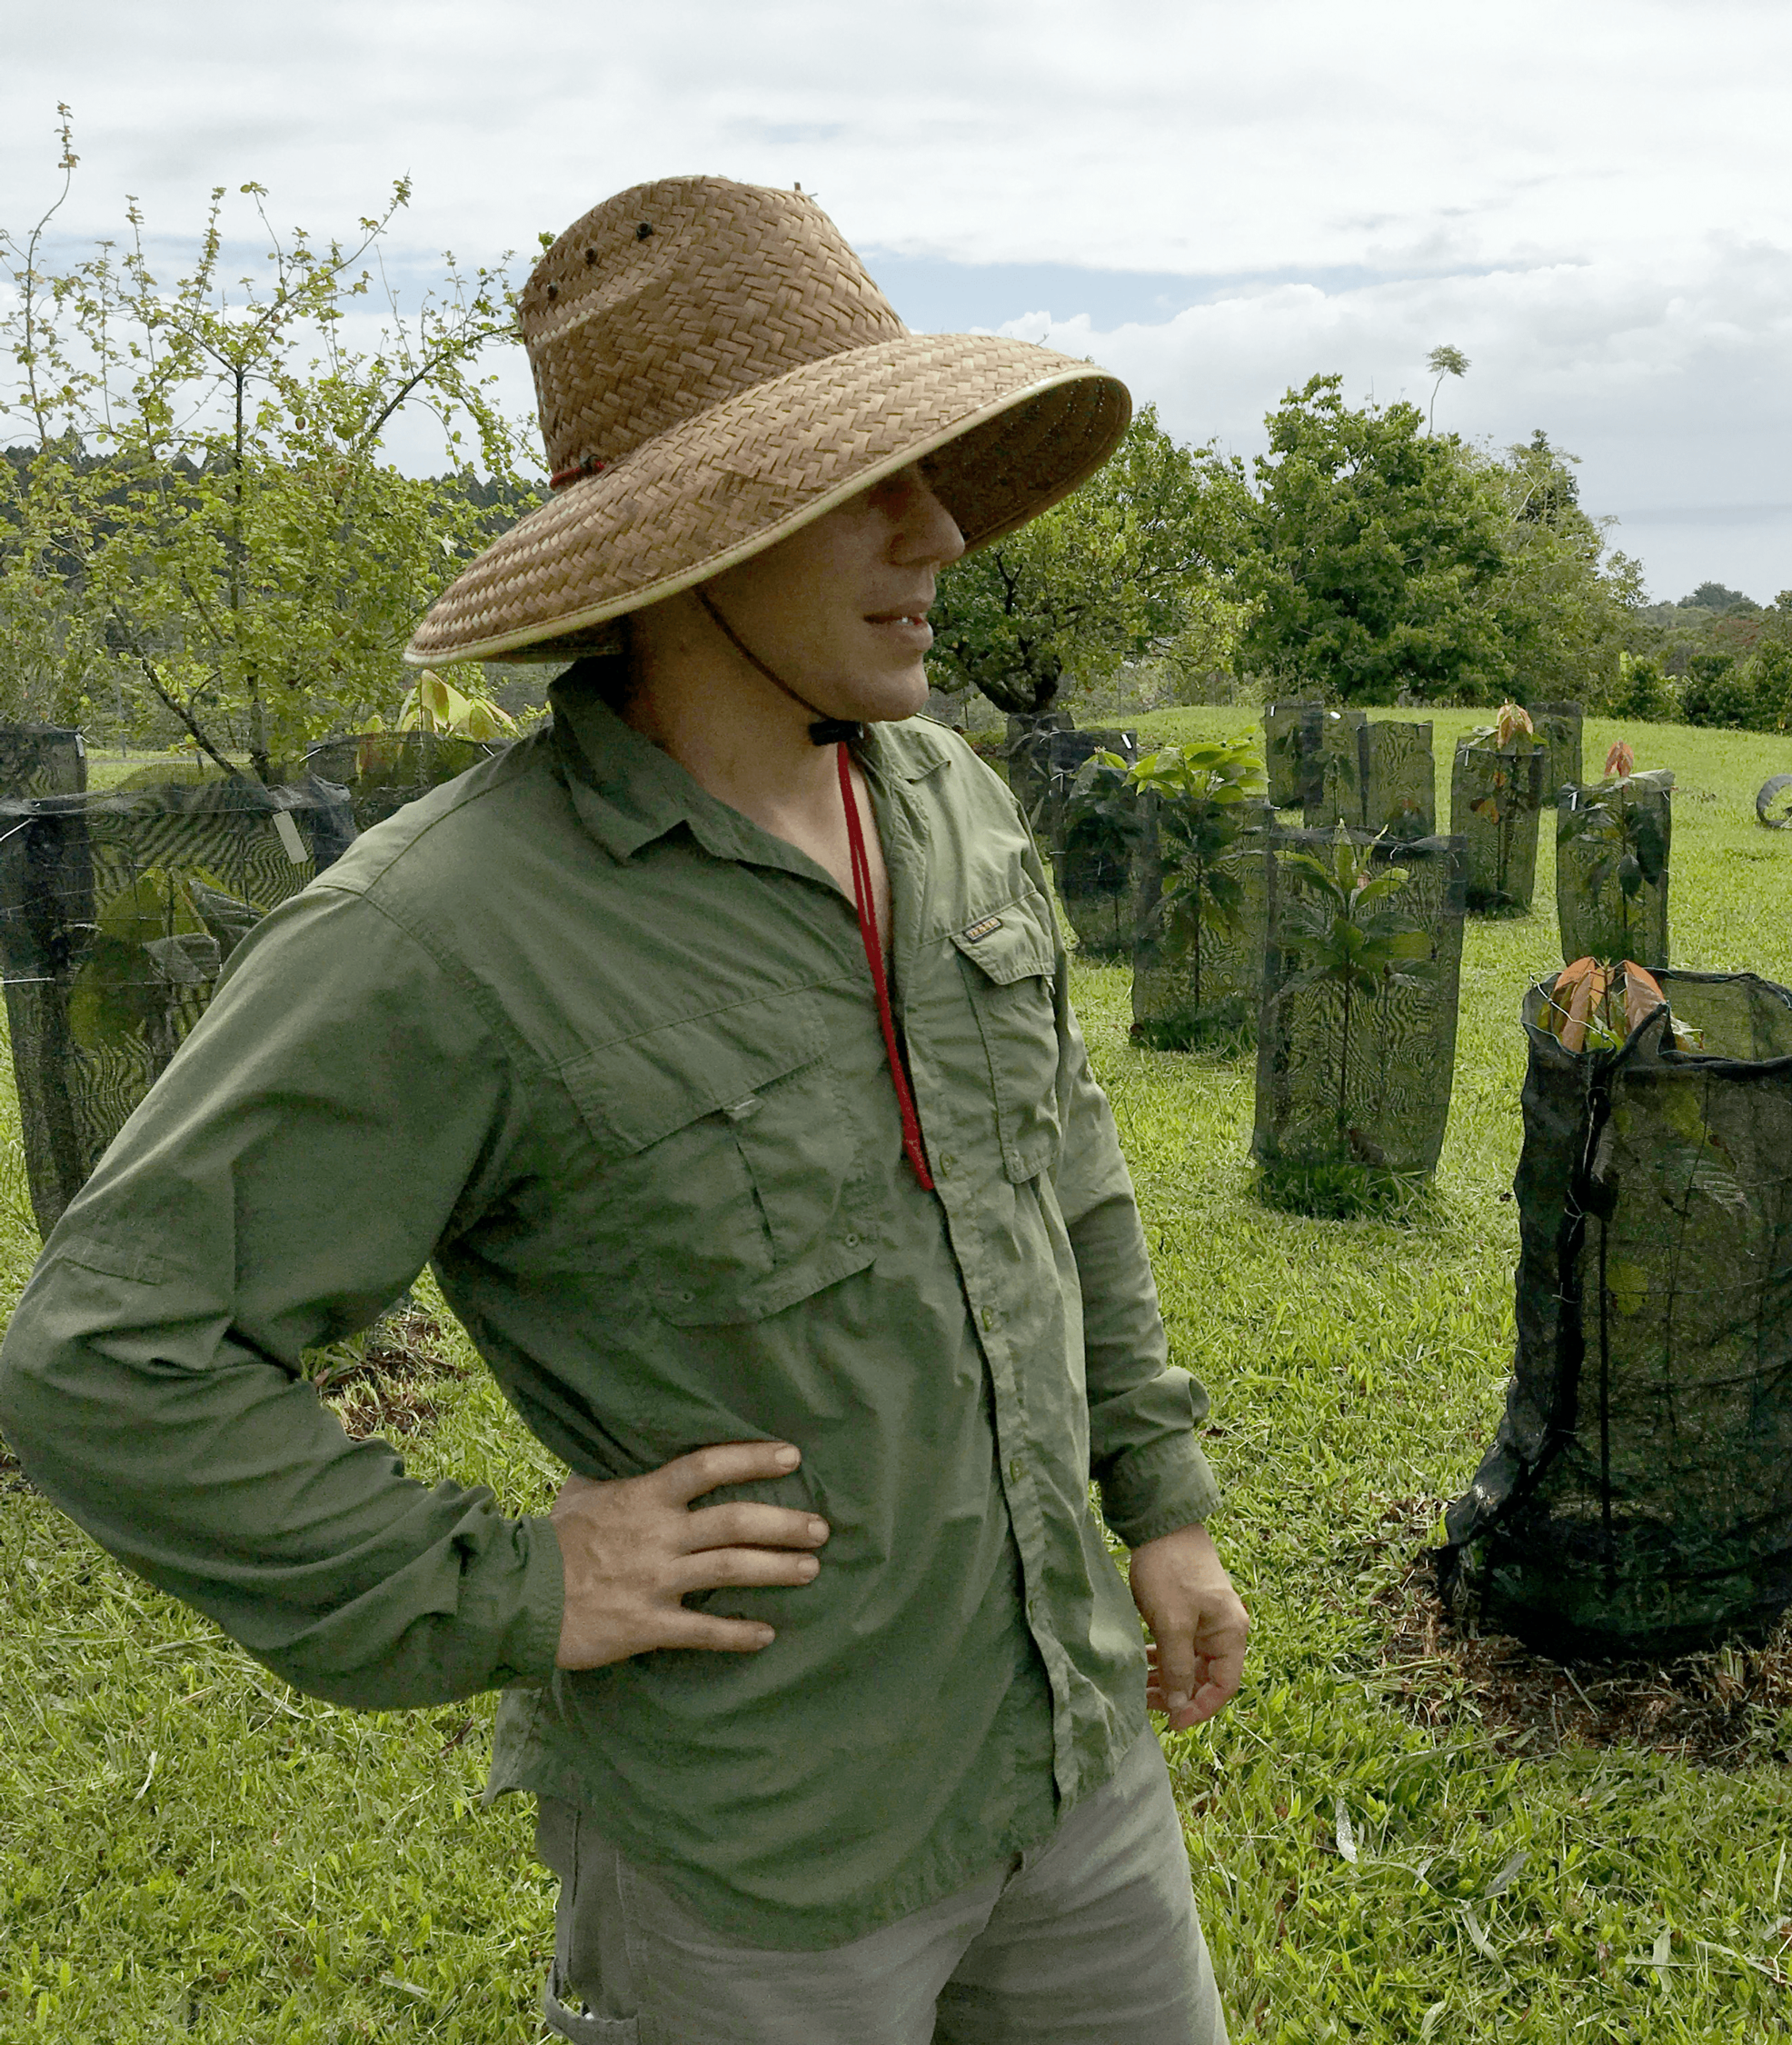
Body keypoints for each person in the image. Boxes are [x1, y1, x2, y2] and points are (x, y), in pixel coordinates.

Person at [0, 176, 1245, 2044]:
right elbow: (110, 1359)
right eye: (864, 485)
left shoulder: (949, 806)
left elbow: (1061, 1158)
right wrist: (503, 1582)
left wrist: (1156, 1495)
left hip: (1073, 1764)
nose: (941, 533)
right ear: (689, 544)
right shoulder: (445, 934)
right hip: (759, 1863)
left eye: (933, 466)